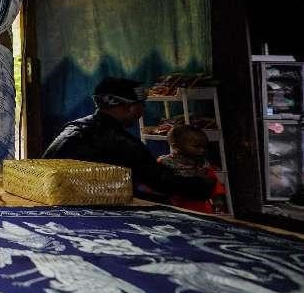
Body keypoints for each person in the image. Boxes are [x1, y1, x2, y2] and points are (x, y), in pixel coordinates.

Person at [43, 76, 210, 200]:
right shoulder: (123, 143)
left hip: (52, 199)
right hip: (90, 208)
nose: (142, 111)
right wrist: (203, 185)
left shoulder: (72, 127)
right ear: (129, 107)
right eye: (142, 105)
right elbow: (161, 181)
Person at [158, 124, 225, 213]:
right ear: (176, 146)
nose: (202, 150)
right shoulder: (165, 163)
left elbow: (214, 184)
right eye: (196, 146)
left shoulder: (203, 165)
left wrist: (218, 202)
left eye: (204, 147)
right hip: (174, 210)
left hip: (201, 209)